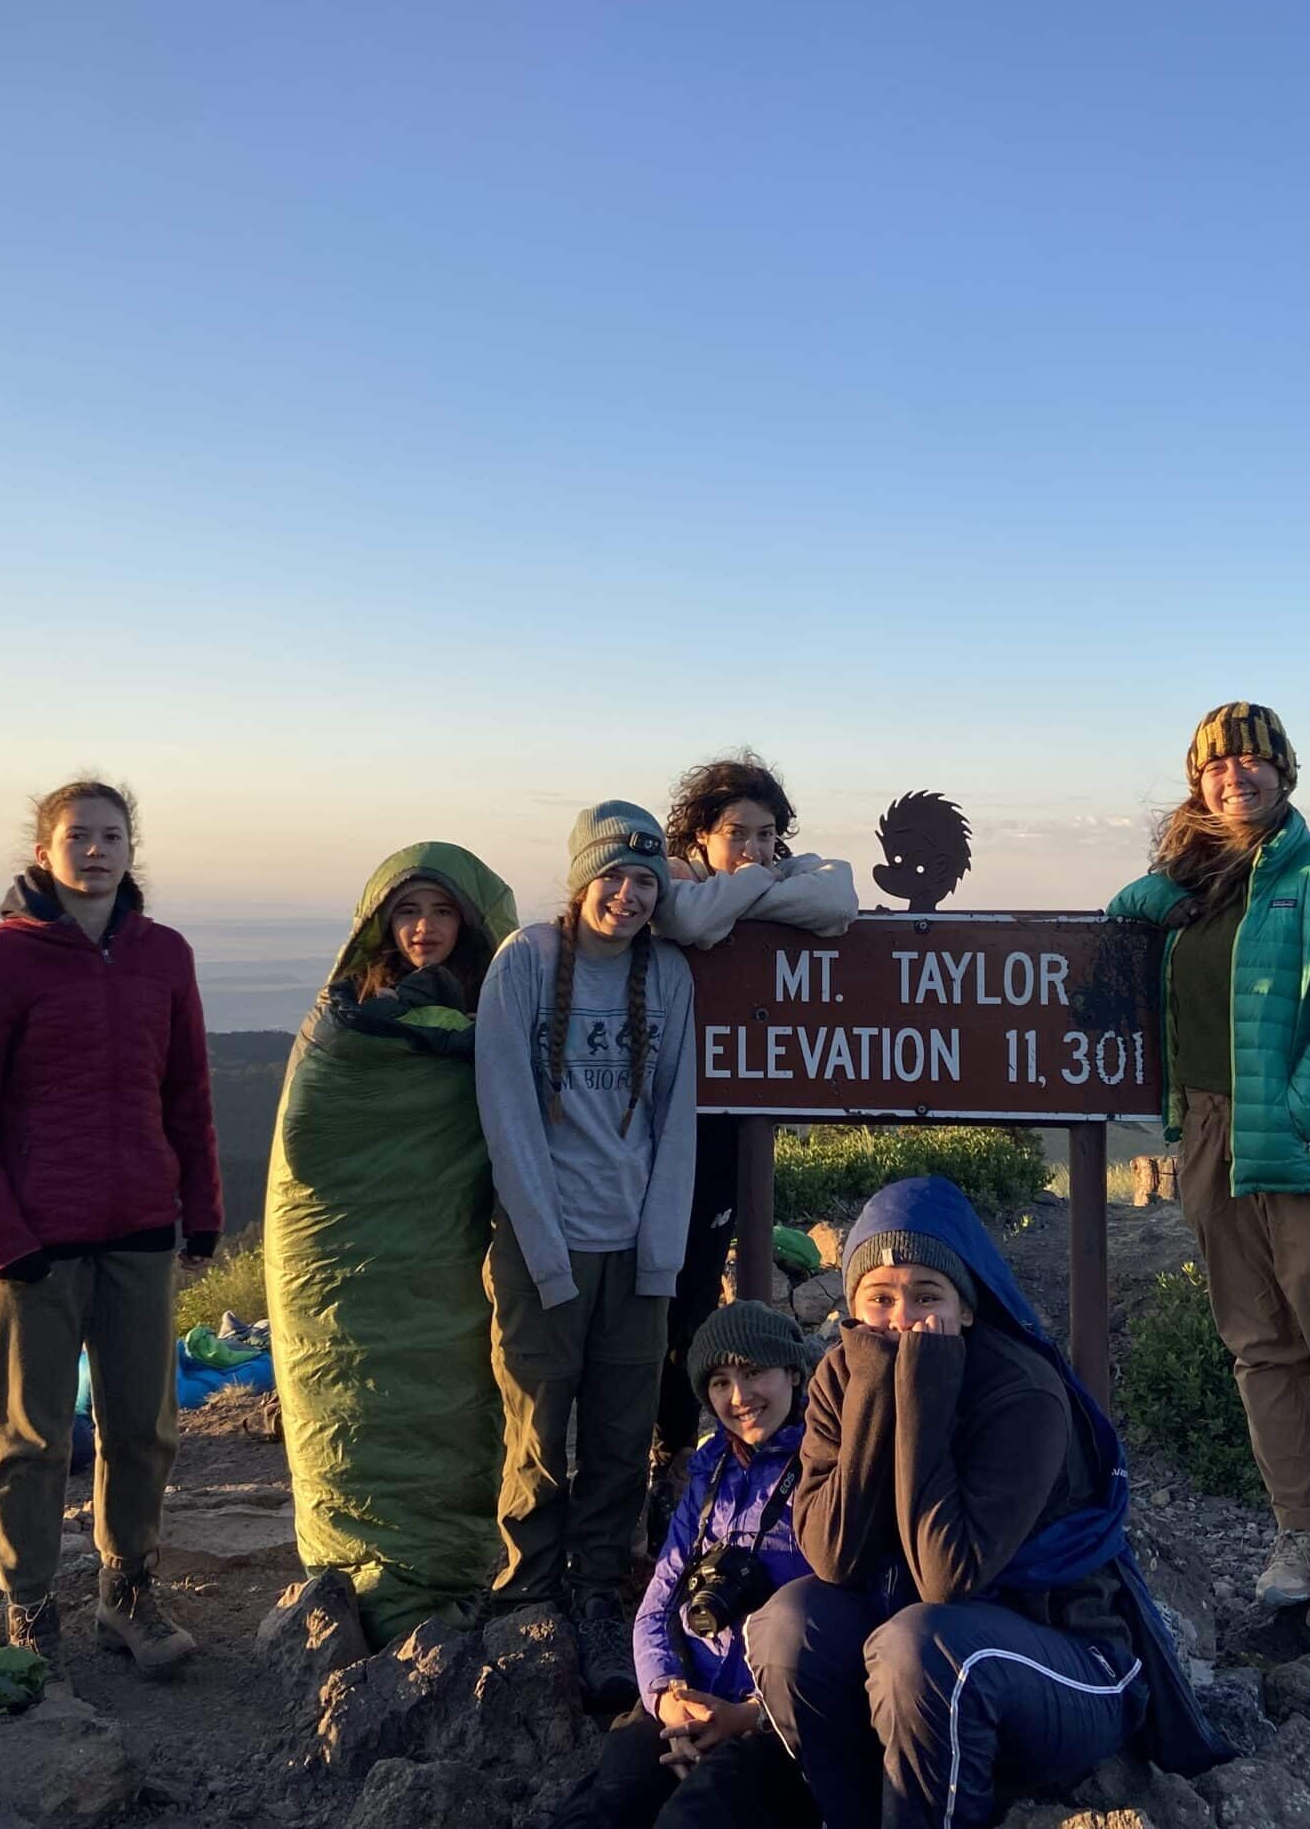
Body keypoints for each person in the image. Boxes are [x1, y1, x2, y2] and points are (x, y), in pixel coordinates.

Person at [745, 1176, 1225, 1829]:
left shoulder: (1023, 1392)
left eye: (926, 1295)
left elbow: (947, 1575)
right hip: (924, 1661)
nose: (902, 1317)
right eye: (879, 1299)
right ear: (852, 1310)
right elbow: (832, 1557)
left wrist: (923, 1391)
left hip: (1072, 1662)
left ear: (967, 1308)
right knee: (788, 1624)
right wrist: (875, 1392)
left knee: (927, 1647)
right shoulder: (839, 1378)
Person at [1106, 702, 1310, 1644]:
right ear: (1198, 780)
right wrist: (1152, 894)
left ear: (1284, 772)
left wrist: (1296, 1114)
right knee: (1259, 1348)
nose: (1236, 776)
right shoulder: (1198, 883)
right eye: (1217, 765)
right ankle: (1298, 1537)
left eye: (1253, 761)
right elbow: (1125, 928)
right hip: (1206, 1138)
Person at [0, 779, 221, 1675]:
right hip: (31, 1245)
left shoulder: (164, 955)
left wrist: (200, 1207)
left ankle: (125, 1593)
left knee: (145, 1427)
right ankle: (29, 1608)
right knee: (28, 1439)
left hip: (137, 1229)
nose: (96, 849)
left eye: (111, 835)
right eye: (78, 836)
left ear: (132, 850)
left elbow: (188, 1092)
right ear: (44, 851)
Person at [265, 844, 518, 1648]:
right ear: (380, 924)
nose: (425, 928)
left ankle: (440, 1563)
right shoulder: (344, 1024)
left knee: (449, 1392)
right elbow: (310, 1143)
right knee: (349, 1385)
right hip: (348, 1263)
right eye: (408, 911)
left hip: (445, 1268)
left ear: (474, 925)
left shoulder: (507, 1015)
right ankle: (352, 1562)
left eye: (444, 912)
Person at [475, 801, 698, 1708]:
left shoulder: (671, 977)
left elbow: (676, 1120)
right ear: (580, 880)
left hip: (634, 1242)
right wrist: (546, 1246)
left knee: (618, 1428)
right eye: (614, 875)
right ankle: (528, 1584)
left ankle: (599, 1590)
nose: (630, 894)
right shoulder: (523, 962)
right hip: (541, 1240)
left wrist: (661, 1254)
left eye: (647, 880)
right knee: (536, 1424)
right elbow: (506, 1112)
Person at [647, 752, 858, 1548]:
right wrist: (753, 891)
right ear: (699, 835)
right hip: (667, 1120)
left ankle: (679, 1451)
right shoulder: (669, 877)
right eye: (737, 833)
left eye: (769, 834)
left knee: (698, 1281)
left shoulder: (760, 872)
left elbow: (839, 899)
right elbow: (693, 921)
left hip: (732, 1119)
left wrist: (748, 881)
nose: (756, 848)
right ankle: (656, 1447)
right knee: (664, 1286)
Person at [552, 1302, 820, 1829]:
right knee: (607, 1806)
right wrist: (668, 1697)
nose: (739, 1397)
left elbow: (836, 1624)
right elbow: (658, 1604)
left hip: (772, 1720)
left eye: (754, 1372)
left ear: (793, 1372)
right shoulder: (707, 1473)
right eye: (720, 1381)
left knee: (697, 1815)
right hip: (685, 1698)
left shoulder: (824, 1471)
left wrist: (747, 1716)